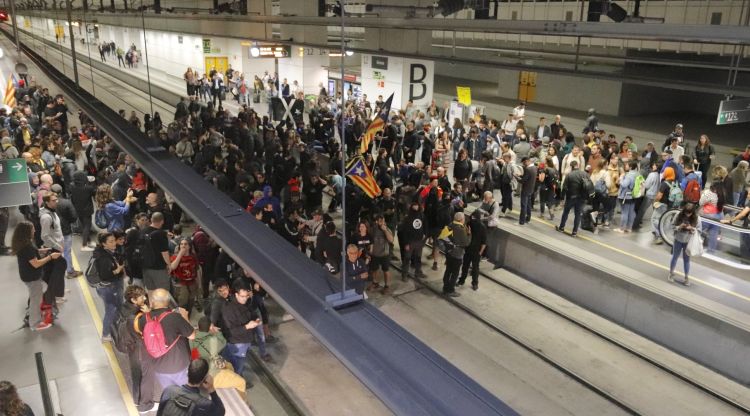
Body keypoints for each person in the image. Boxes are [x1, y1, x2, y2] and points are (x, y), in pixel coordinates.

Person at [135, 288, 195, 390]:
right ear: (167, 302)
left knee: (170, 393)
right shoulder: (175, 317)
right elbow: (192, 336)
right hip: (179, 365)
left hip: (158, 367)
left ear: (152, 302)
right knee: (186, 394)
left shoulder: (143, 319)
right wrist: (185, 317)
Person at [12, 221, 59, 331]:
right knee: (35, 300)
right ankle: (35, 324)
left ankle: (32, 315)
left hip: (27, 275)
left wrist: (42, 251)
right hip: (32, 277)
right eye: (33, 229)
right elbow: (35, 263)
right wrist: (50, 257)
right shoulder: (27, 246)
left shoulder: (24, 243)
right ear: (27, 231)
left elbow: (32, 254)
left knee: (40, 292)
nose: (35, 230)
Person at [221, 279, 271, 379]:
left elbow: (251, 312)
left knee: (235, 363)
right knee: (238, 366)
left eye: (247, 296)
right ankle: (236, 381)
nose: (245, 299)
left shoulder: (245, 303)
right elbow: (231, 332)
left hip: (246, 341)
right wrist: (247, 326)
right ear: (236, 294)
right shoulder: (229, 309)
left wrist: (255, 318)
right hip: (237, 344)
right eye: (242, 296)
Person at [155, 358, 225, 416]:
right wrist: (211, 388)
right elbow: (221, 412)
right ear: (204, 379)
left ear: (187, 372)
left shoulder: (169, 390)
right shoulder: (204, 404)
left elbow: (160, 411)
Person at [94, 232, 125, 343]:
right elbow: (105, 275)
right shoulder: (102, 258)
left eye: (114, 240)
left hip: (114, 284)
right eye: (110, 241)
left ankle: (115, 324)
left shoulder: (110, 252)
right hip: (109, 287)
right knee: (110, 309)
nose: (114, 243)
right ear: (104, 244)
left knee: (117, 306)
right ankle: (105, 334)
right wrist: (118, 270)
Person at [38, 192, 67, 304]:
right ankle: (56, 296)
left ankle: (57, 292)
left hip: (58, 247)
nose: (56, 202)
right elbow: (44, 236)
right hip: (53, 249)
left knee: (56, 273)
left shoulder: (52, 213)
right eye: (53, 200)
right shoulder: (46, 217)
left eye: (56, 199)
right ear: (47, 202)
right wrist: (58, 246)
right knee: (55, 273)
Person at [168, 237, 201, 315]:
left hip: (192, 283)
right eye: (181, 244)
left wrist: (199, 285)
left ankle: (188, 317)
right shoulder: (175, 257)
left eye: (185, 244)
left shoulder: (193, 257)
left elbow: (197, 270)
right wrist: (180, 254)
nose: (183, 246)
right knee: (182, 304)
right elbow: (172, 267)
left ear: (189, 246)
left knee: (190, 302)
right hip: (180, 284)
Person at [441, 212, 470, 297]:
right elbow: (466, 243)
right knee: (455, 273)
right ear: (461, 219)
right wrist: (469, 234)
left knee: (448, 270)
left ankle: (445, 287)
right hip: (457, 253)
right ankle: (450, 290)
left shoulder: (450, 224)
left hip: (449, 252)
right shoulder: (460, 229)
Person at [556, 161, 588, 237]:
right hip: (581, 198)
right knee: (578, 215)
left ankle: (561, 227)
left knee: (566, 212)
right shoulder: (585, 174)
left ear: (571, 167)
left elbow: (564, 187)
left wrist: (562, 198)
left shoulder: (569, 175)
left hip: (571, 197)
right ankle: (574, 232)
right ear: (578, 165)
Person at [668, 204, 698, 286]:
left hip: (688, 241)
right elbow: (672, 226)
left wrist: (691, 228)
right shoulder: (678, 215)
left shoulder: (697, 218)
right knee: (675, 257)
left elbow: (699, 231)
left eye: (690, 213)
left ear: (693, 212)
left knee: (687, 260)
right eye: (686, 213)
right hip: (678, 239)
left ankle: (686, 277)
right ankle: (671, 273)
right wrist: (679, 226)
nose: (688, 215)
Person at [142, 212, 172, 292]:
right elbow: (164, 252)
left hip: (145, 267)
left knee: (151, 292)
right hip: (158, 269)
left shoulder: (143, 231)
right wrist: (169, 265)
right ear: (162, 221)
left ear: (151, 219)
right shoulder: (161, 234)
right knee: (163, 293)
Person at [458, 210, 487, 291]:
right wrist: (480, 252)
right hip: (475, 250)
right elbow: (484, 242)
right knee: (474, 268)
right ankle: (474, 283)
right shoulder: (482, 226)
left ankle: (462, 280)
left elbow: (464, 235)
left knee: (466, 266)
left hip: (469, 249)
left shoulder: (469, 223)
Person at [368, 215, 394, 294]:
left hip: (385, 254)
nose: (382, 222)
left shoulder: (387, 229)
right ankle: (375, 283)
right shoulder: (373, 230)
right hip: (375, 254)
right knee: (374, 270)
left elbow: (391, 240)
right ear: (376, 222)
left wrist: (385, 230)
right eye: (380, 221)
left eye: (383, 221)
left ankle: (387, 286)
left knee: (386, 271)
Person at [518, 156, 537, 225]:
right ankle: (528, 218)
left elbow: (523, 181)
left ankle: (521, 221)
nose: (524, 165)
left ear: (527, 161)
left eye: (524, 163)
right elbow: (528, 177)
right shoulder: (534, 167)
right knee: (528, 205)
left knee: (523, 205)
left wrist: (517, 178)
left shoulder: (528, 169)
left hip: (525, 189)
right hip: (531, 189)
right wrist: (521, 175)